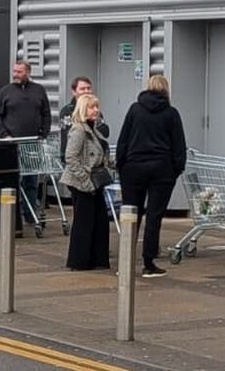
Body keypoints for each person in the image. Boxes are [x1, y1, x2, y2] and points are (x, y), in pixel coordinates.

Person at [115, 74, 187, 279]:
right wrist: (176, 169)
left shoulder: (134, 109)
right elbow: (179, 145)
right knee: (154, 216)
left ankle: (126, 261)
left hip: (133, 167)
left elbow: (124, 139)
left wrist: (121, 163)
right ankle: (149, 262)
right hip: (161, 169)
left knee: (131, 215)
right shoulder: (171, 113)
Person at [0, 61, 52, 225]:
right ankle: (12, 215)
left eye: (19, 72)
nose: (15, 74)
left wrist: (43, 133)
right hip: (11, 144)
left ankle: (30, 214)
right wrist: (5, 134)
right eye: (14, 71)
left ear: (28, 72)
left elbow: (46, 114)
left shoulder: (39, 90)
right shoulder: (6, 91)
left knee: (31, 181)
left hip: (32, 143)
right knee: (12, 180)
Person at [60, 94, 113, 271]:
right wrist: (85, 180)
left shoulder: (94, 129)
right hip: (82, 182)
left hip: (95, 181)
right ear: (83, 109)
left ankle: (98, 259)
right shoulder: (78, 130)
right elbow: (71, 157)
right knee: (84, 222)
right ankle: (79, 261)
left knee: (100, 221)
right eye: (92, 107)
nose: (96, 110)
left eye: (97, 107)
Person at [59, 77, 106, 160]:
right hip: (76, 157)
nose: (86, 91)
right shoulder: (67, 111)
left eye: (88, 88)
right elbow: (67, 134)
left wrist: (96, 121)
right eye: (82, 89)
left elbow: (105, 133)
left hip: (93, 156)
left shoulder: (95, 111)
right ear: (74, 91)